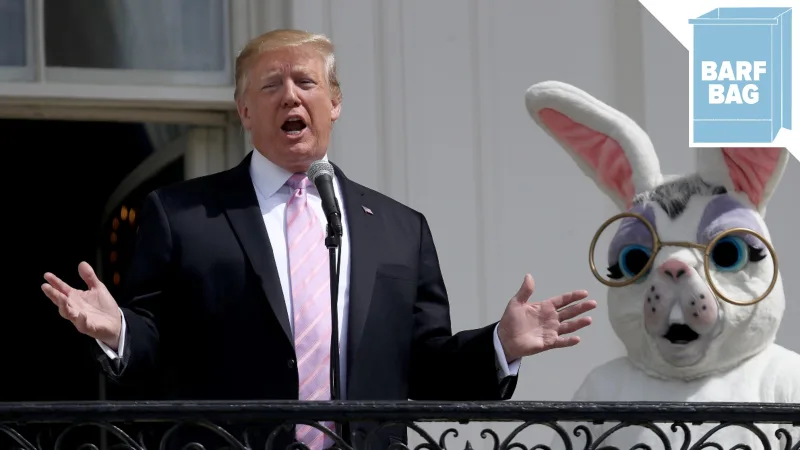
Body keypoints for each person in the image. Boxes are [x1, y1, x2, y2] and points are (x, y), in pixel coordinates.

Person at [41, 29, 597, 450]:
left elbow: (426, 365)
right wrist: (118, 331)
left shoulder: (400, 228)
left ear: (334, 103)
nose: (290, 96)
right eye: (271, 85)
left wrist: (499, 344)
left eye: (306, 82)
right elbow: (154, 344)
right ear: (244, 110)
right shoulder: (183, 214)